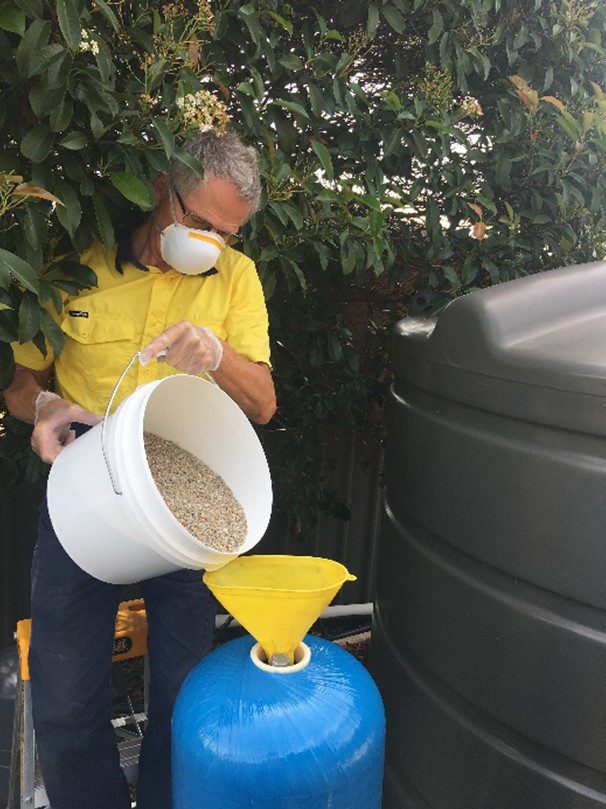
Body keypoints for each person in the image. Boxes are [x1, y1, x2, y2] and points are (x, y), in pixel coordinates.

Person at [2, 129, 276, 809]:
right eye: (198, 220)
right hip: (85, 492)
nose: (209, 242)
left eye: (226, 234)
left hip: (182, 513)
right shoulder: (77, 260)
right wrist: (44, 406)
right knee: (66, 699)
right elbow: (20, 379)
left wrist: (217, 353)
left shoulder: (236, 279)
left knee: (186, 697)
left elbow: (264, 403)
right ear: (161, 188)